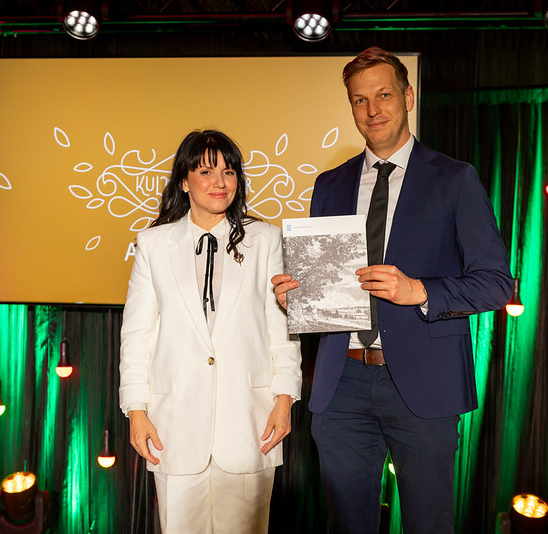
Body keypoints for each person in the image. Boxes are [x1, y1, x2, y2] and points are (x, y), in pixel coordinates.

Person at [272, 47, 513, 534]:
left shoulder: (455, 179)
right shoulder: (330, 184)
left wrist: (420, 290)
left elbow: (496, 285)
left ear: (408, 95)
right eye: (360, 100)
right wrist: (296, 296)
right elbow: (327, 285)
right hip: (342, 386)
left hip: (423, 386)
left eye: (383, 95)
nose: (372, 110)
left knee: (428, 524)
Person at [119, 130, 302, 534]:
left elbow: (282, 329)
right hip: (173, 428)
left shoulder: (267, 239)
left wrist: (285, 398)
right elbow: (137, 335)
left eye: (229, 171)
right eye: (206, 171)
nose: (220, 182)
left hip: (252, 424)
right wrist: (136, 410)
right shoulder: (152, 244)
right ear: (184, 181)